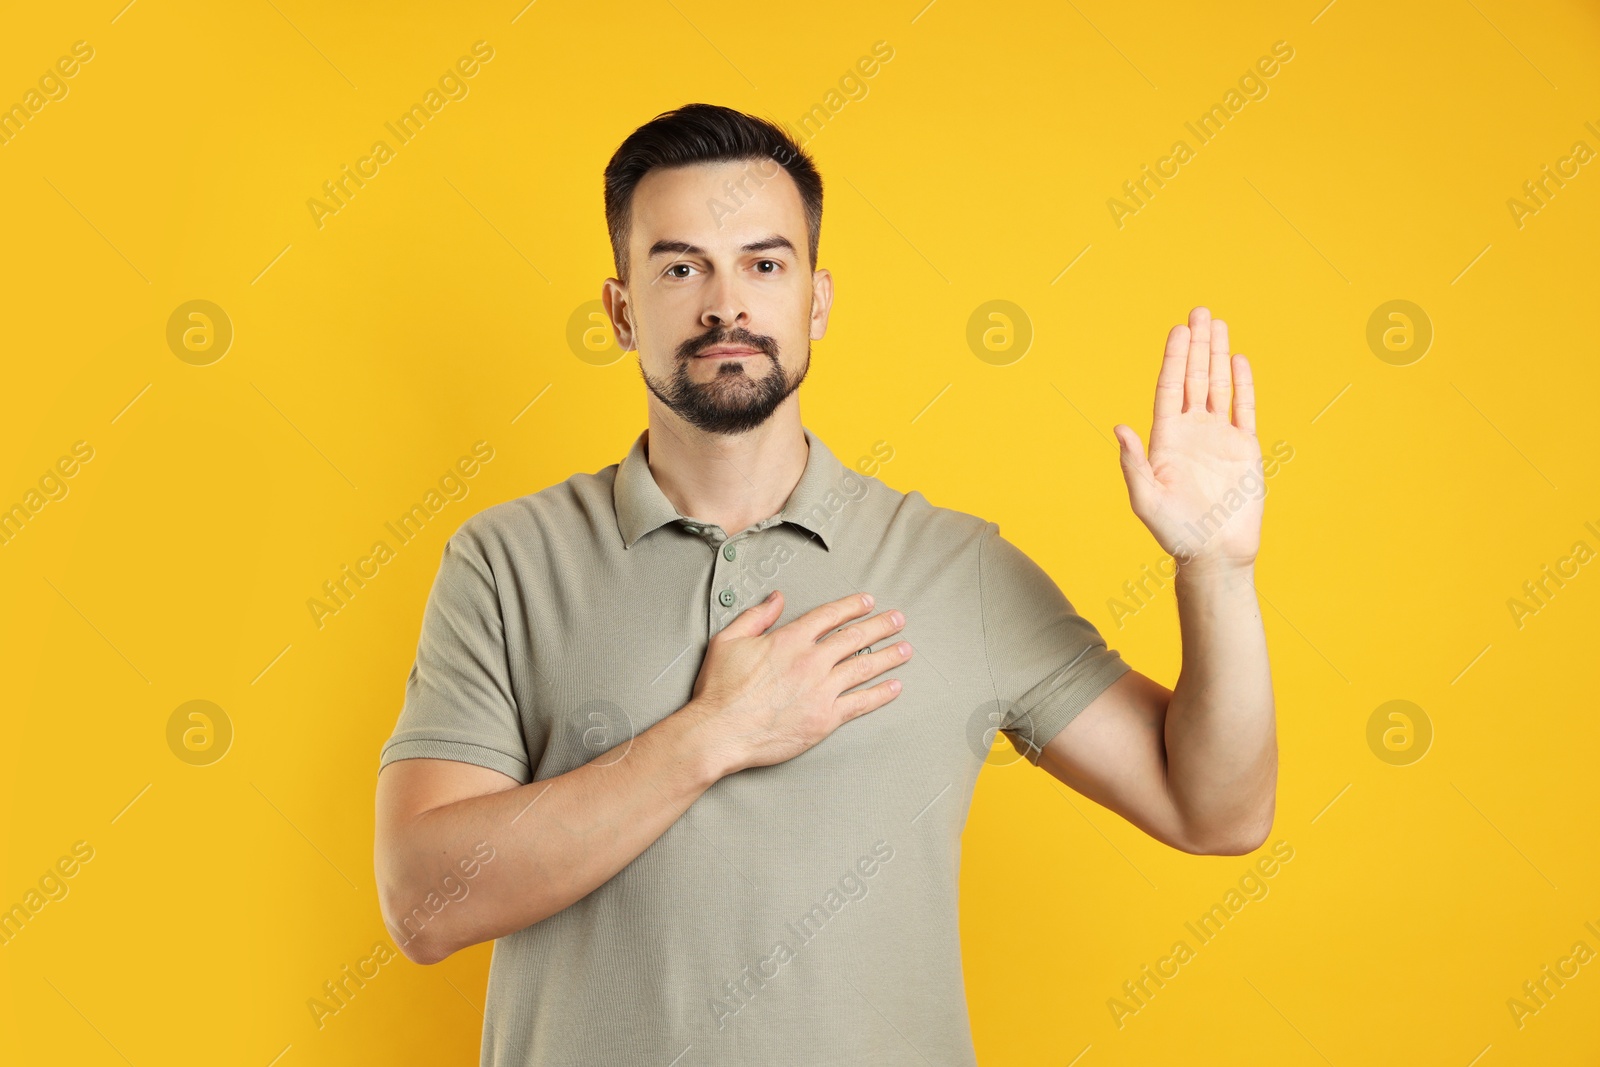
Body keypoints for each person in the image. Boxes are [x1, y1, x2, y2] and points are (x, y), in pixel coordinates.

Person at [373, 102, 1276, 1066]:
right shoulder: (508, 557)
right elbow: (422, 905)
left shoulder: (954, 565)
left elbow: (1215, 810)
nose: (727, 305)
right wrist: (712, 733)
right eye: (681, 268)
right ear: (622, 309)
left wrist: (1215, 569)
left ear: (817, 301)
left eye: (765, 265)